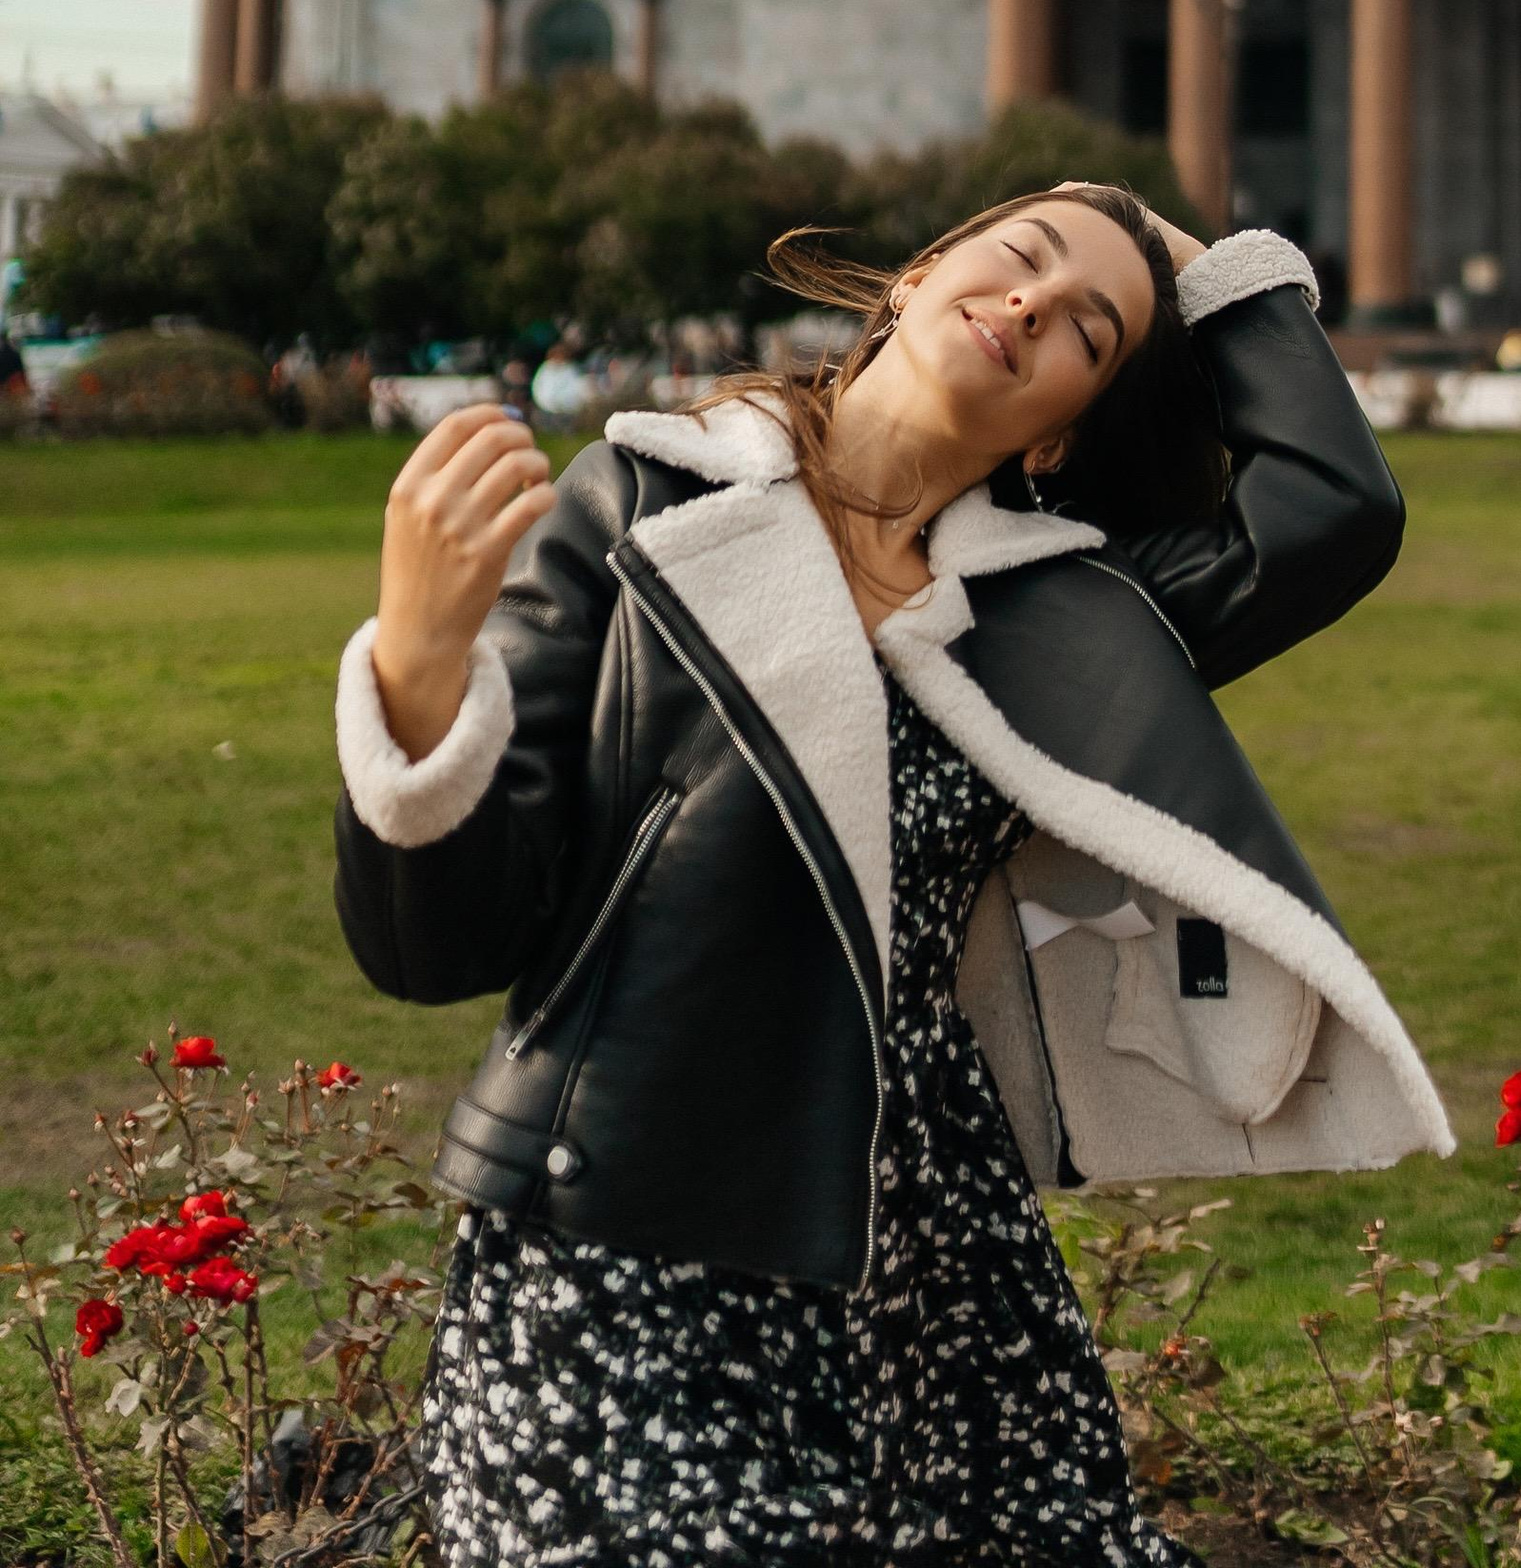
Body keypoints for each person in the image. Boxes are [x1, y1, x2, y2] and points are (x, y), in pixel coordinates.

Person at [334, 184, 1450, 1567]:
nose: (1035, 303)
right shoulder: (643, 500)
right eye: (1019, 257)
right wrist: (418, 669)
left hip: (935, 1273)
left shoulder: (1057, 613)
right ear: (914, 278)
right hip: (625, 1242)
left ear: (1060, 429)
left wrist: (1195, 258)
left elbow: (1333, 510)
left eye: (1088, 331)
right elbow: (437, 948)